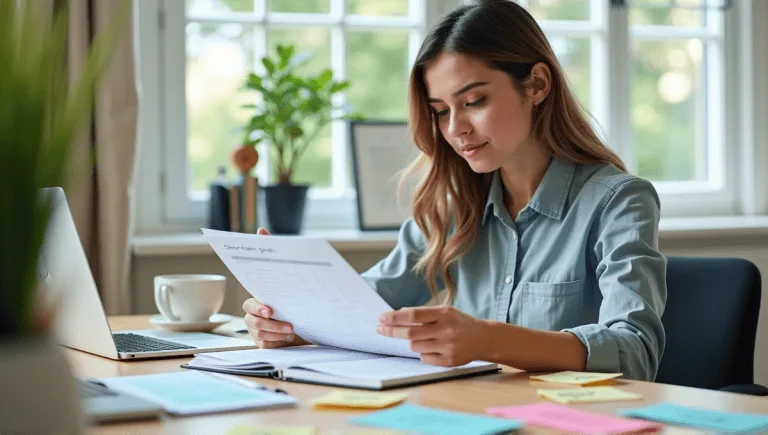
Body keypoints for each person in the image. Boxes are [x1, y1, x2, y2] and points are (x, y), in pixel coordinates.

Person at [242, 0, 666, 381]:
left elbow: (635, 352)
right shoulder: (451, 207)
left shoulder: (618, 200)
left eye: (475, 101)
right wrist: (291, 318)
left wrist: (487, 339)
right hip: (471, 416)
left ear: (537, 84)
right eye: (441, 111)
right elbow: (362, 309)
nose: (455, 129)